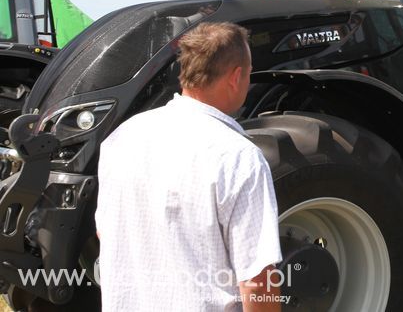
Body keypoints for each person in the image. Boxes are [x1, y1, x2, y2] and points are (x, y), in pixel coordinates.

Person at [96, 22, 282, 311]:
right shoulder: (239, 157)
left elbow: (104, 232)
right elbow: (257, 280)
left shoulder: (121, 138)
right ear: (236, 77)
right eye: (248, 73)